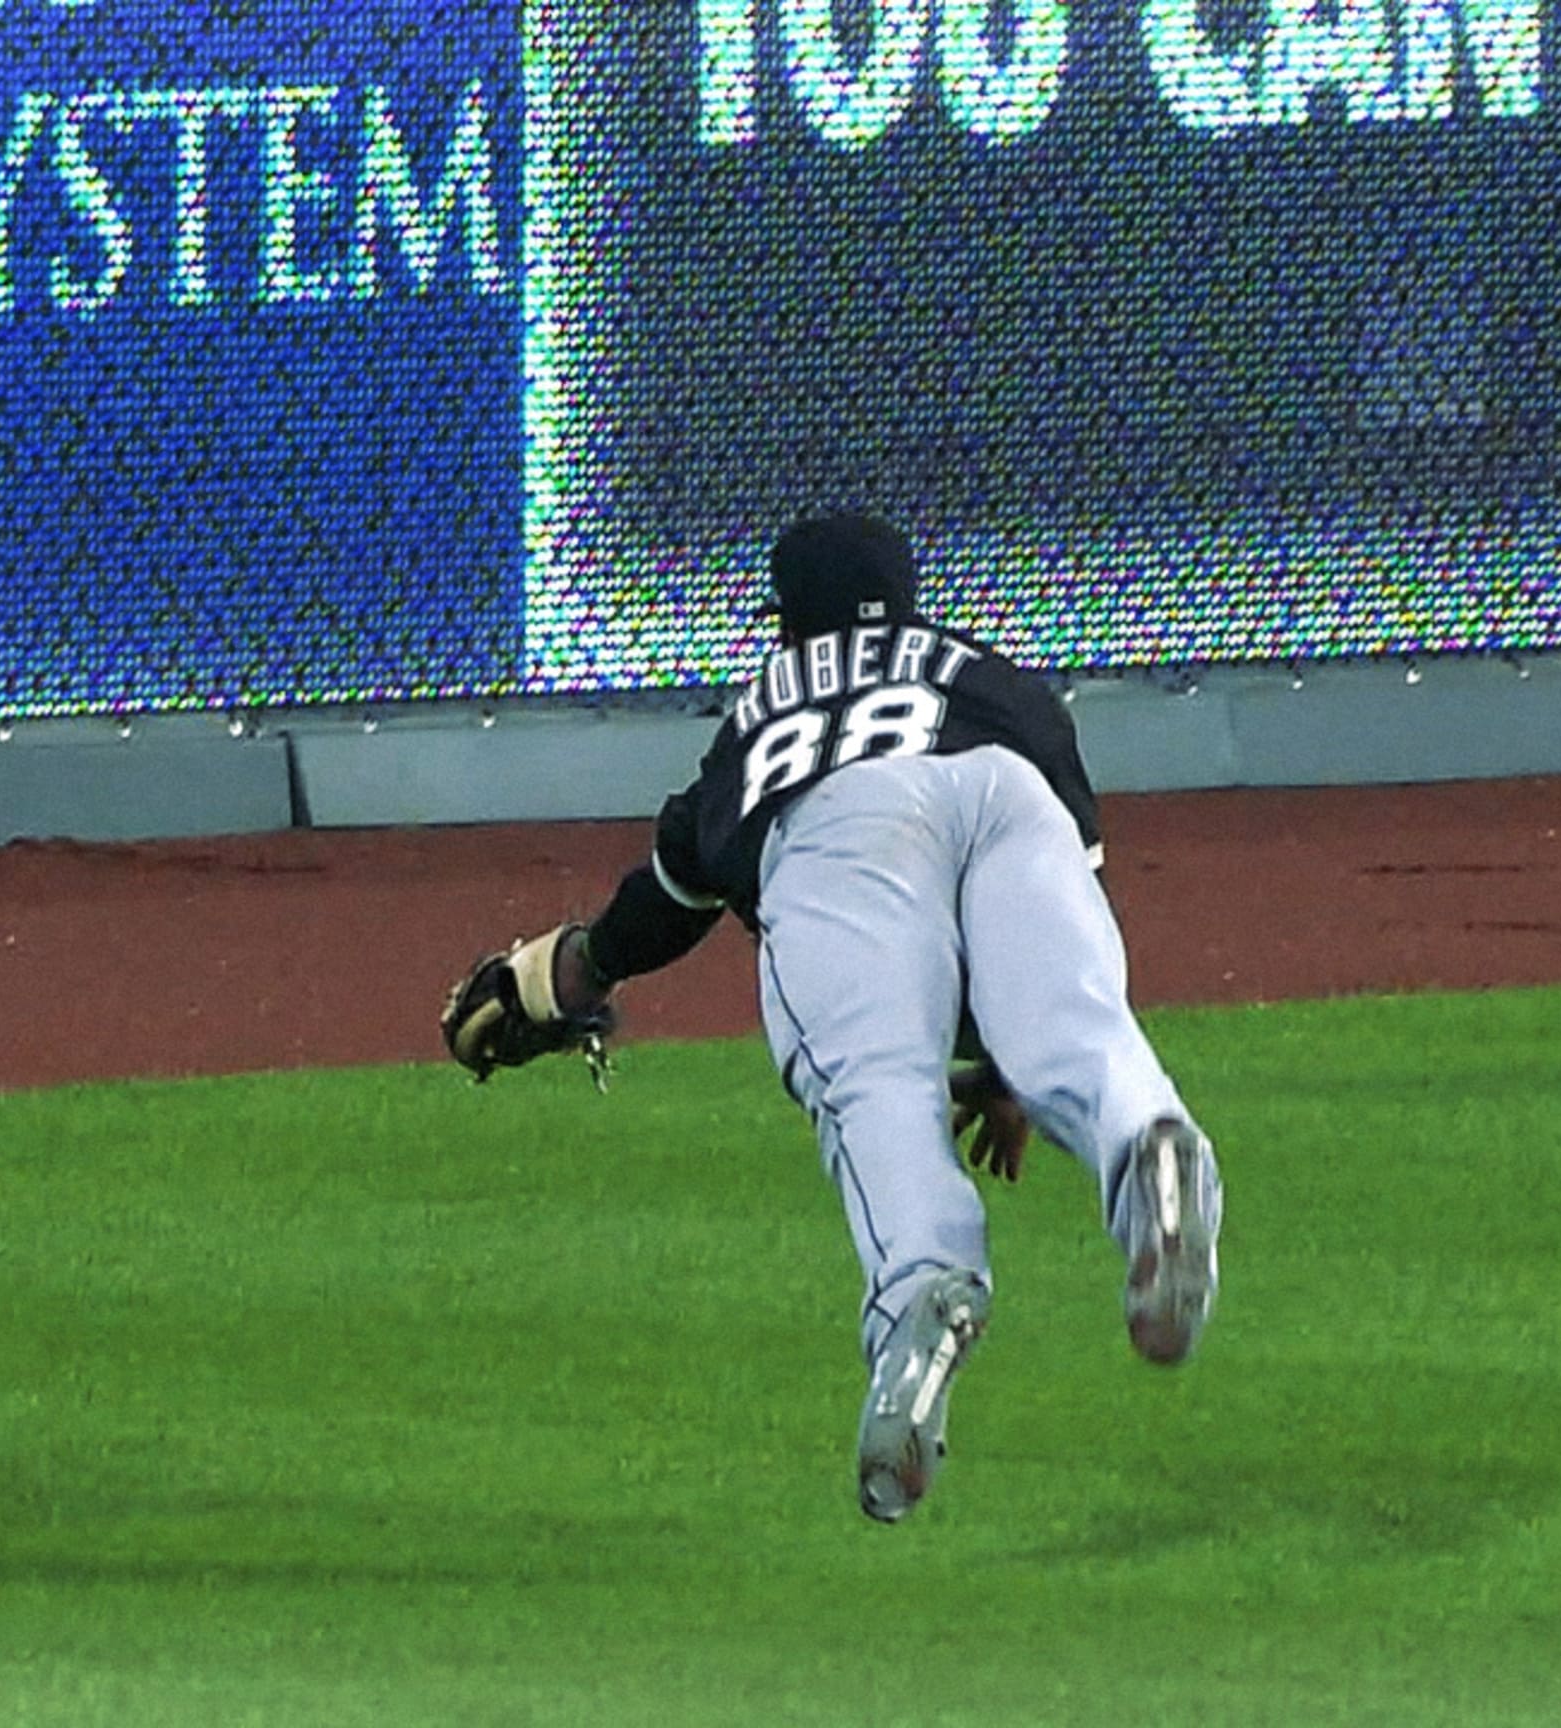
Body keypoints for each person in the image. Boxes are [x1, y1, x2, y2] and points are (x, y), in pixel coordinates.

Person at [445, 512, 1223, 1523]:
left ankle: (921, 1296)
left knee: (875, 1084)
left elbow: (668, 902)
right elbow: (1063, 886)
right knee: (1078, 1031)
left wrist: (573, 975)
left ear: (786, 622)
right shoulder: (991, 677)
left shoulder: (766, 706)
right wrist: (1000, 1068)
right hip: (1009, 794)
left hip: (841, 830)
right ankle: (1147, 1147)